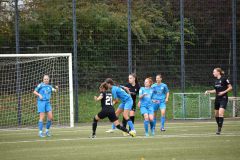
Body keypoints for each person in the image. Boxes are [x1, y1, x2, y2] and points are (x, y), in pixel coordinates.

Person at [205, 68, 232, 135]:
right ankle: (219, 126)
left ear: (218, 72)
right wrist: (208, 91)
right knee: (216, 114)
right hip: (217, 99)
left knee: (220, 113)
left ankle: (219, 129)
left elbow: (230, 87)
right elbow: (216, 91)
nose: (213, 73)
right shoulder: (216, 81)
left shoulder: (224, 79)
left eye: (214, 72)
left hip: (224, 98)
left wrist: (223, 92)